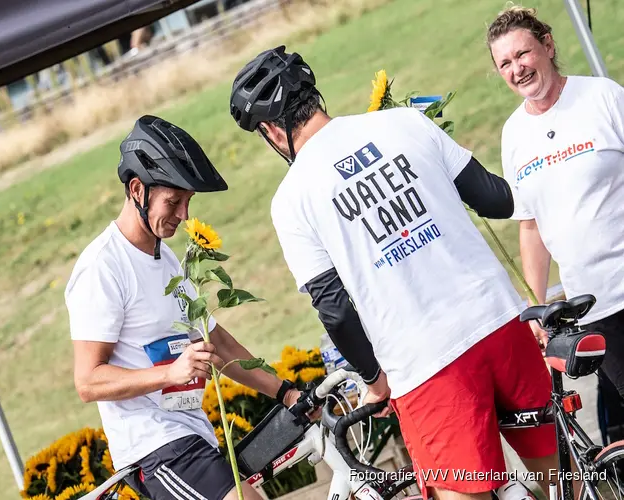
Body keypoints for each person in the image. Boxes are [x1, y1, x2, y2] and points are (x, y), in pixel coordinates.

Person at [228, 45, 558, 500]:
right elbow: (497, 200)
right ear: (314, 95)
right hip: (502, 324)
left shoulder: (291, 200)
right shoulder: (404, 122)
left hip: (428, 364)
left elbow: (335, 310)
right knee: (559, 481)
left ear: (270, 130)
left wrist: (373, 379)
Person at [64, 115, 303, 500]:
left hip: (191, 437)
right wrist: (169, 374)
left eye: (187, 202)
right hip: (158, 450)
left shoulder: (169, 260)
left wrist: (286, 393)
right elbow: (88, 382)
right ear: (137, 189)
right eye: (173, 201)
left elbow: (217, 343)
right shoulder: (102, 267)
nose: (184, 216)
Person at [487, 5, 624, 399]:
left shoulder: (602, 97)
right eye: (505, 63)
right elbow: (530, 225)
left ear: (547, 45)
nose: (517, 69)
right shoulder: (514, 134)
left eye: (523, 54)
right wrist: (537, 308)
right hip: (594, 309)